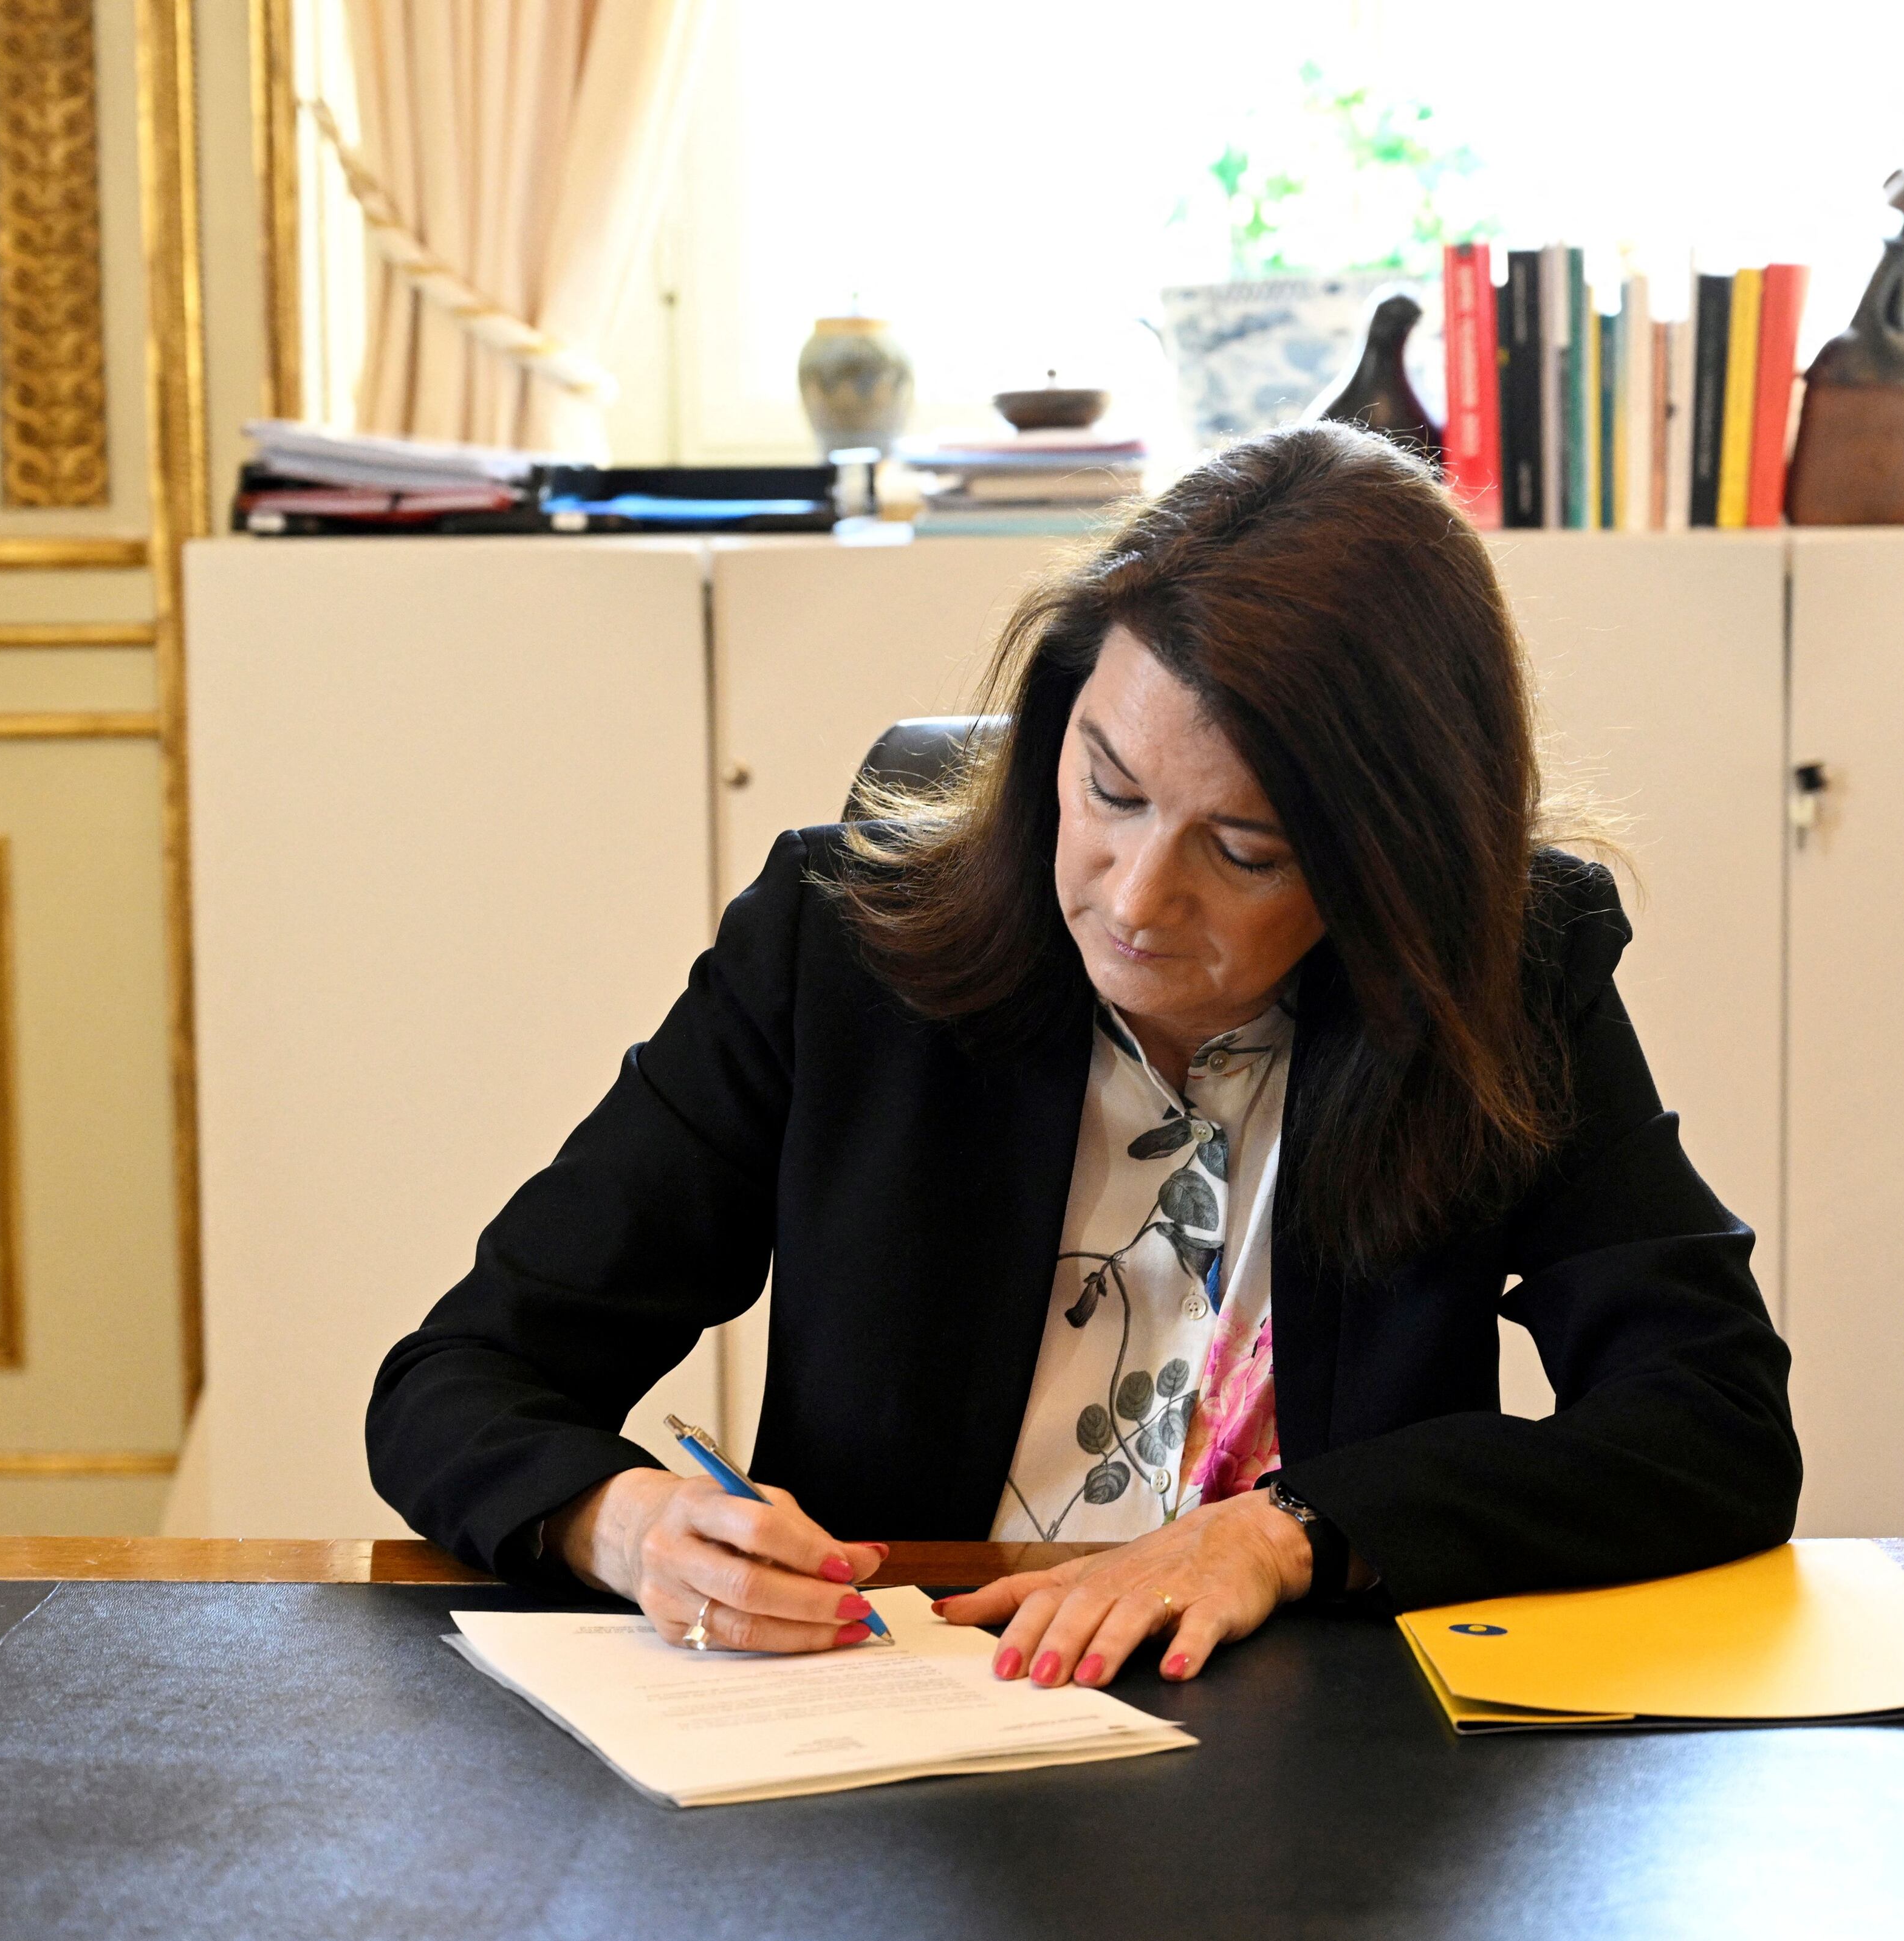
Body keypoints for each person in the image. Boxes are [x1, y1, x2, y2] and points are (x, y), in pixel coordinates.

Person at [367, 422, 1800, 1689]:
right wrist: (619, 1522)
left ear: (1391, 868)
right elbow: (460, 1378)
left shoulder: (1501, 978)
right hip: (902, 1738)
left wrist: (1293, 1526)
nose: (1131, 896)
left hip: (1326, 1759)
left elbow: (1712, 1420)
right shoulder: (841, 949)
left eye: (1240, 850)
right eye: (1106, 788)